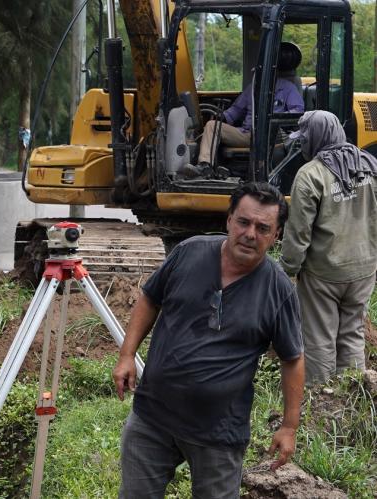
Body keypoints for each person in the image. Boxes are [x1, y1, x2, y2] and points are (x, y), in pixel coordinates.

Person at [112, 182, 305, 498]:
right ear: (229, 220)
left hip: (218, 433)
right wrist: (126, 355)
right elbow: (150, 298)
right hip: (153, 418)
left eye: (262, 227)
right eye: (243, 222)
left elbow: (292, 358)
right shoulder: (189, 253)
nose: (250, 233)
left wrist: (289, 426)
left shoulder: (278, 291)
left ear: (276, 235)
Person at [279, 110, 377, 384]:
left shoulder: (310, 175)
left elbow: (298, 231)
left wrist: (288, 267)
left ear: (316, 137)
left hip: (324, 272)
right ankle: (354, 394)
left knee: (319, 336)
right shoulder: (369, 164)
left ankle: (321, 398)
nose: (302, 145)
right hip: (364, 268)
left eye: (304, 138)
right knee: (352, 332)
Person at [181, 42, 305, 179]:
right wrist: (223, 117)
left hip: (270, 136)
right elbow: (236, 109)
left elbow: (297, 111)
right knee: (212, 126)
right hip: (247, 134)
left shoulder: (289, 88)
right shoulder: (254, 87)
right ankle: (205, 166)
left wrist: (273, 119)